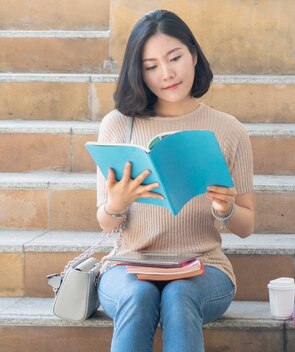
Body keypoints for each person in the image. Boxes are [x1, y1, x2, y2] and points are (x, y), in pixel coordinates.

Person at [95, 9, 254, 352]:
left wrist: (225, 208)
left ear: (194, 55)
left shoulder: (228, 130)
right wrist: (117, 204)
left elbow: (246, 226)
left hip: (203, 268)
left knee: (179, 296)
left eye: (174, 58)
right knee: (139, 296)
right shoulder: (119, 126)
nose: (166, 74)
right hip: (128, 265)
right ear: (139, 72)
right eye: (151, 66)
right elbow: (105, 223)